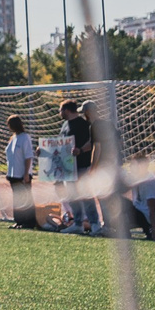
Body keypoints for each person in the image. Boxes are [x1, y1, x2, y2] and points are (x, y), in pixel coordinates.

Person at [61, 98, 97, 235]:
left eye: (61, 110)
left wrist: (80, 150)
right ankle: (77, 224)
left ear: (67, 110)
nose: (60, 113)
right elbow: (58, 143)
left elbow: (92, 142)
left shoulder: (84, 124)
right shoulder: (65, 125)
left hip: (81, 165)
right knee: (72, 197)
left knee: (86, 196)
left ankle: (94, 224)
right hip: (68, 168)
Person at [4, 113, 38, 229]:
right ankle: (19, 221)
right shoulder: (13, 138)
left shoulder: (25, 137)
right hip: (13, 174)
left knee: (26, 198)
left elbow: (28, 156)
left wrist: (26, 173)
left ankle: (29, 222)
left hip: (22, 174)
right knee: (17, 199)